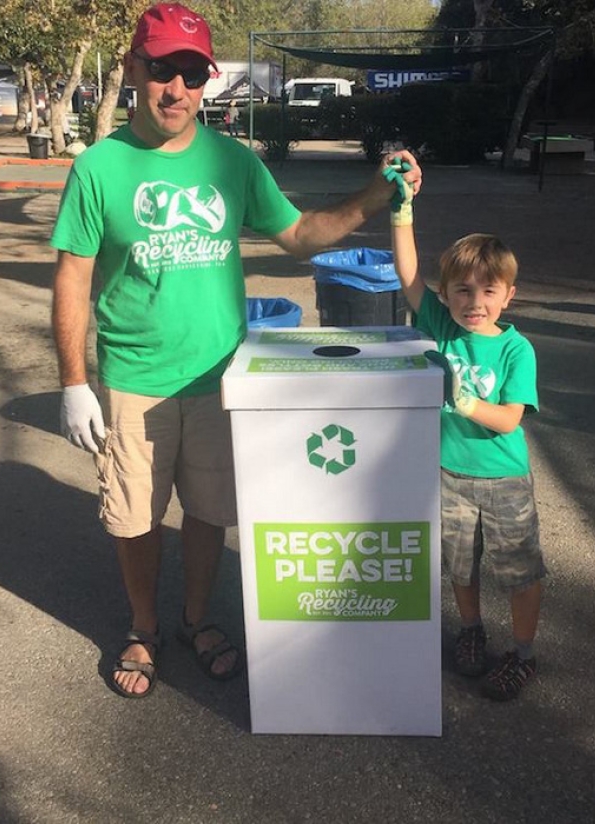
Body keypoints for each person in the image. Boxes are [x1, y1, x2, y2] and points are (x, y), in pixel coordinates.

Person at [50, 2, 422, 699]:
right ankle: (143, 627)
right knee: (134, 517)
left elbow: (300, 235)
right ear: (135, 68)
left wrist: (373, 196)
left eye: (192, 75)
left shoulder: (231, 161)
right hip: (135, 378)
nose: (177, 90)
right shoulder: (99, 168)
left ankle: (194, 620)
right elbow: (71, 276)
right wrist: (74, 381)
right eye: (163, 70)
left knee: (209, 510)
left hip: (223, 375)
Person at [389, 171, 544, 701]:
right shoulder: (441, 326)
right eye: (462, 289)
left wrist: (466, 401)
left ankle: (523, 654)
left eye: (488, 290)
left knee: (520, 572)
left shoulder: (515, 351)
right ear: (447, 294)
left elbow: (510, 420)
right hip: (449, 474)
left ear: (508, 296)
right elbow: (407, 274)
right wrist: (402, 209)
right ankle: (472, 629)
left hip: (503, 479)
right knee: (460, 563)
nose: (473, 300)